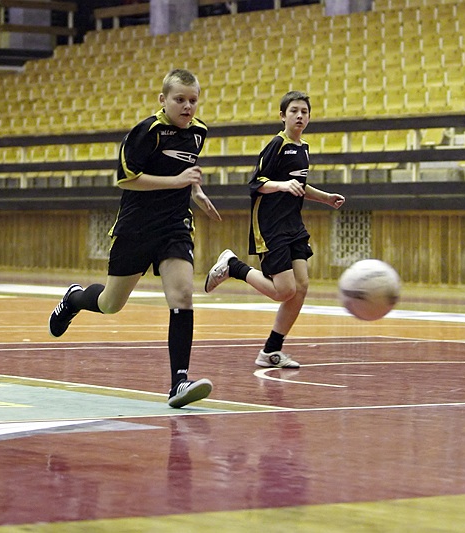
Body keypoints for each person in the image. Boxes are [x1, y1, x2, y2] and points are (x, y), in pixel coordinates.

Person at [48, 68, 221, 408]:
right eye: (180, 100)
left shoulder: (198, 132)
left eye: (193, 100)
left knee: (182, 295)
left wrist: (195, 191)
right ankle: (74, 299)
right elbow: (126, 179)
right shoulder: (146, 132)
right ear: (163, 99)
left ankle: (179, 382)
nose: (187, 107)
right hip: (136, 228)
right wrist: (177, 182)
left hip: (175, 226)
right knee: (110, 304)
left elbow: (185, 171)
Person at [204, 91, 345, 368]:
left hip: (293, 224)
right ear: (283, 116)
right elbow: (256, 183)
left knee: (300, 288)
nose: (300, 116)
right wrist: (281, 185)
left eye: (304, 111)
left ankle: (271, 351)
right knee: (283, 291)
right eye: (294, 111)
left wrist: (325, 198)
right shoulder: (277, 144)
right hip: (270, 224)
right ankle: (233, 267)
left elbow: (299, 185)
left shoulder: (303, 148)